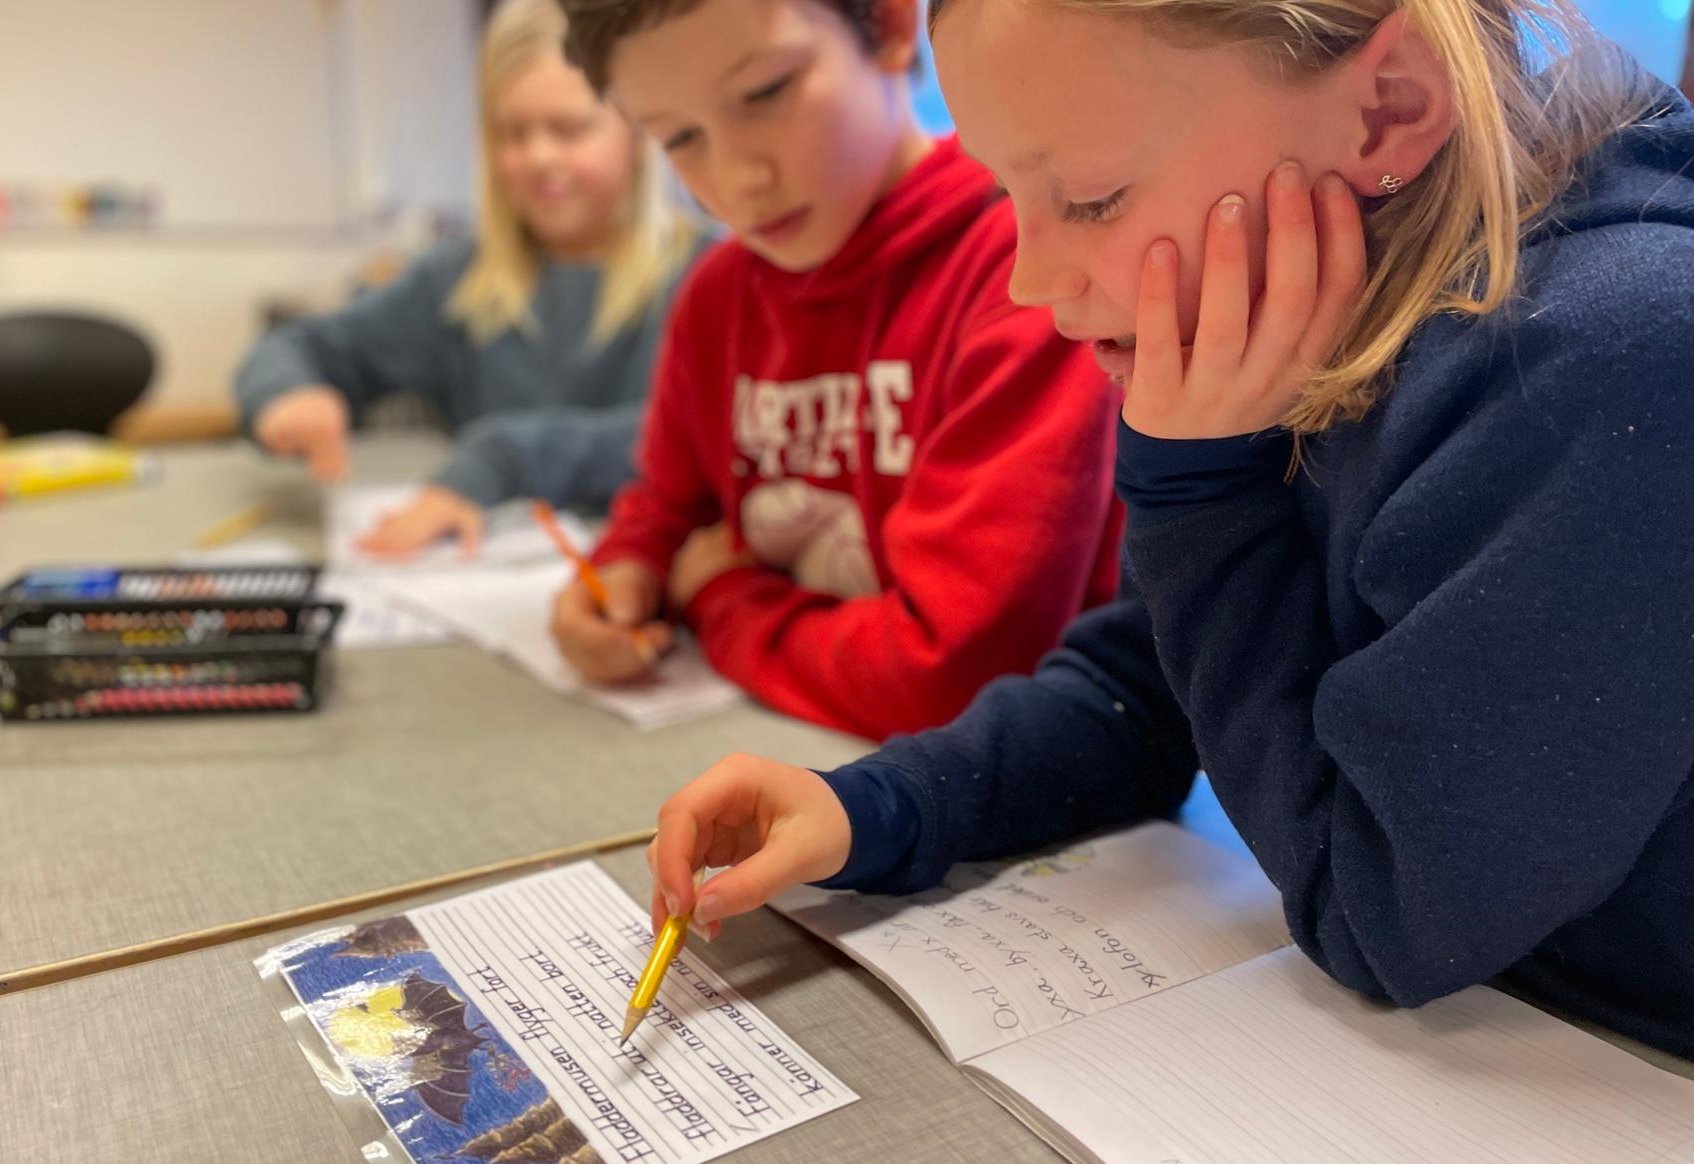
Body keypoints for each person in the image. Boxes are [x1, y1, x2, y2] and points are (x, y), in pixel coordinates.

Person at [645, 0, 1694, 1059]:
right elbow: (1148, 691)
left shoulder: (1611, 359)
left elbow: (1381, 910)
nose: (1033, 284)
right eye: (1010, 194)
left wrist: (1198, 490)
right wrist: (882, 808)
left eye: (1093, 198)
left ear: (1388, 107)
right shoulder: (1301, 307)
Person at [548, 0, 1123, 740]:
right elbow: (672, 506)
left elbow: (955, 673)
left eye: (765, 93)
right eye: (680, 137)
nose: (736, 177)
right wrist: (629, 573)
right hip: (793, 741)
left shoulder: (1027, 276)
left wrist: (722, 599)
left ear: (886, 25)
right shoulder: (718, 298)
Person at [236, 0, 705, 557]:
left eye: (569, 128)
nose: (537, 157)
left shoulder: (708, 275)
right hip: (483, 579)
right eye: (511, 132)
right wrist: (291, 393)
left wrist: (502, 458)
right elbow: (297, 346)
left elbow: (688, 437)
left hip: (652, 574)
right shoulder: (458, 276)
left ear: (639, 130)